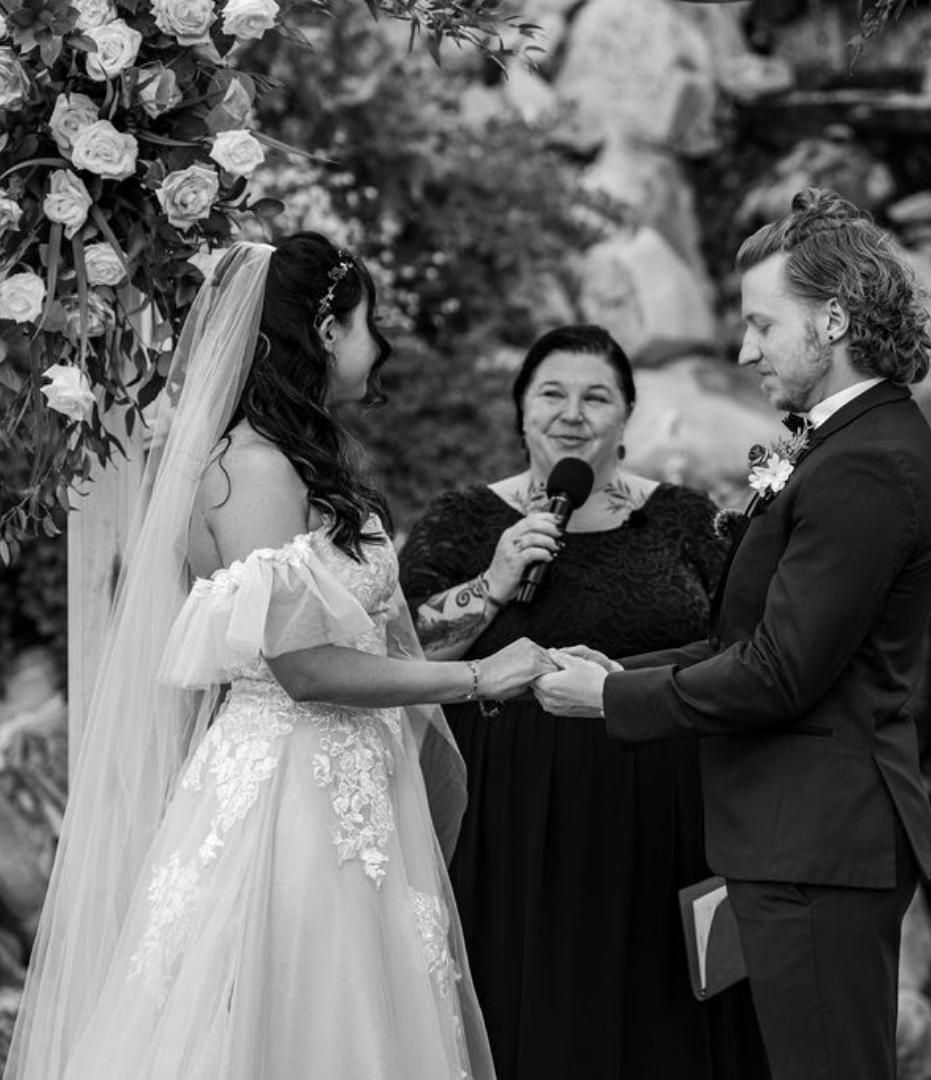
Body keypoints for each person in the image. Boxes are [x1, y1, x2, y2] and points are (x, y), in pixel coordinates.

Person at [4, 234, 555, 1080]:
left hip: (350, 791)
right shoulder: (256, 470)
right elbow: (305, 668)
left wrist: (490, 588)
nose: (383, 346)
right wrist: (480, 678)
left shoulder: (305, 463)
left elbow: (371, 634)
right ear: (327, 332)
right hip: (291, 803)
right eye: (371, 324)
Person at [534, 190, 931, 1080]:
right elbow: (747, 633)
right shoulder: (837, 445)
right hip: (795, 838)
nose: (744, 351)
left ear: (833, 319)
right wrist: (615, 668)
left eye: (762, 324)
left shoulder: (868, 462)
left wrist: (609, 699)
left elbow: (779, 672)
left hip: (819, 846)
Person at [398, 324, 769, 1080]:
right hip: (513, 821)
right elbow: (405, 657)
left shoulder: (686, 519)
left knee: (659, 1022)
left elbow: (743, 646)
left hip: (664, 813)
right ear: (520, 410)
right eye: (552, 394)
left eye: (596, 397)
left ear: (626, 414)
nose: (572, 414)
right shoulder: (465, 520)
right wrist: (492, 584)